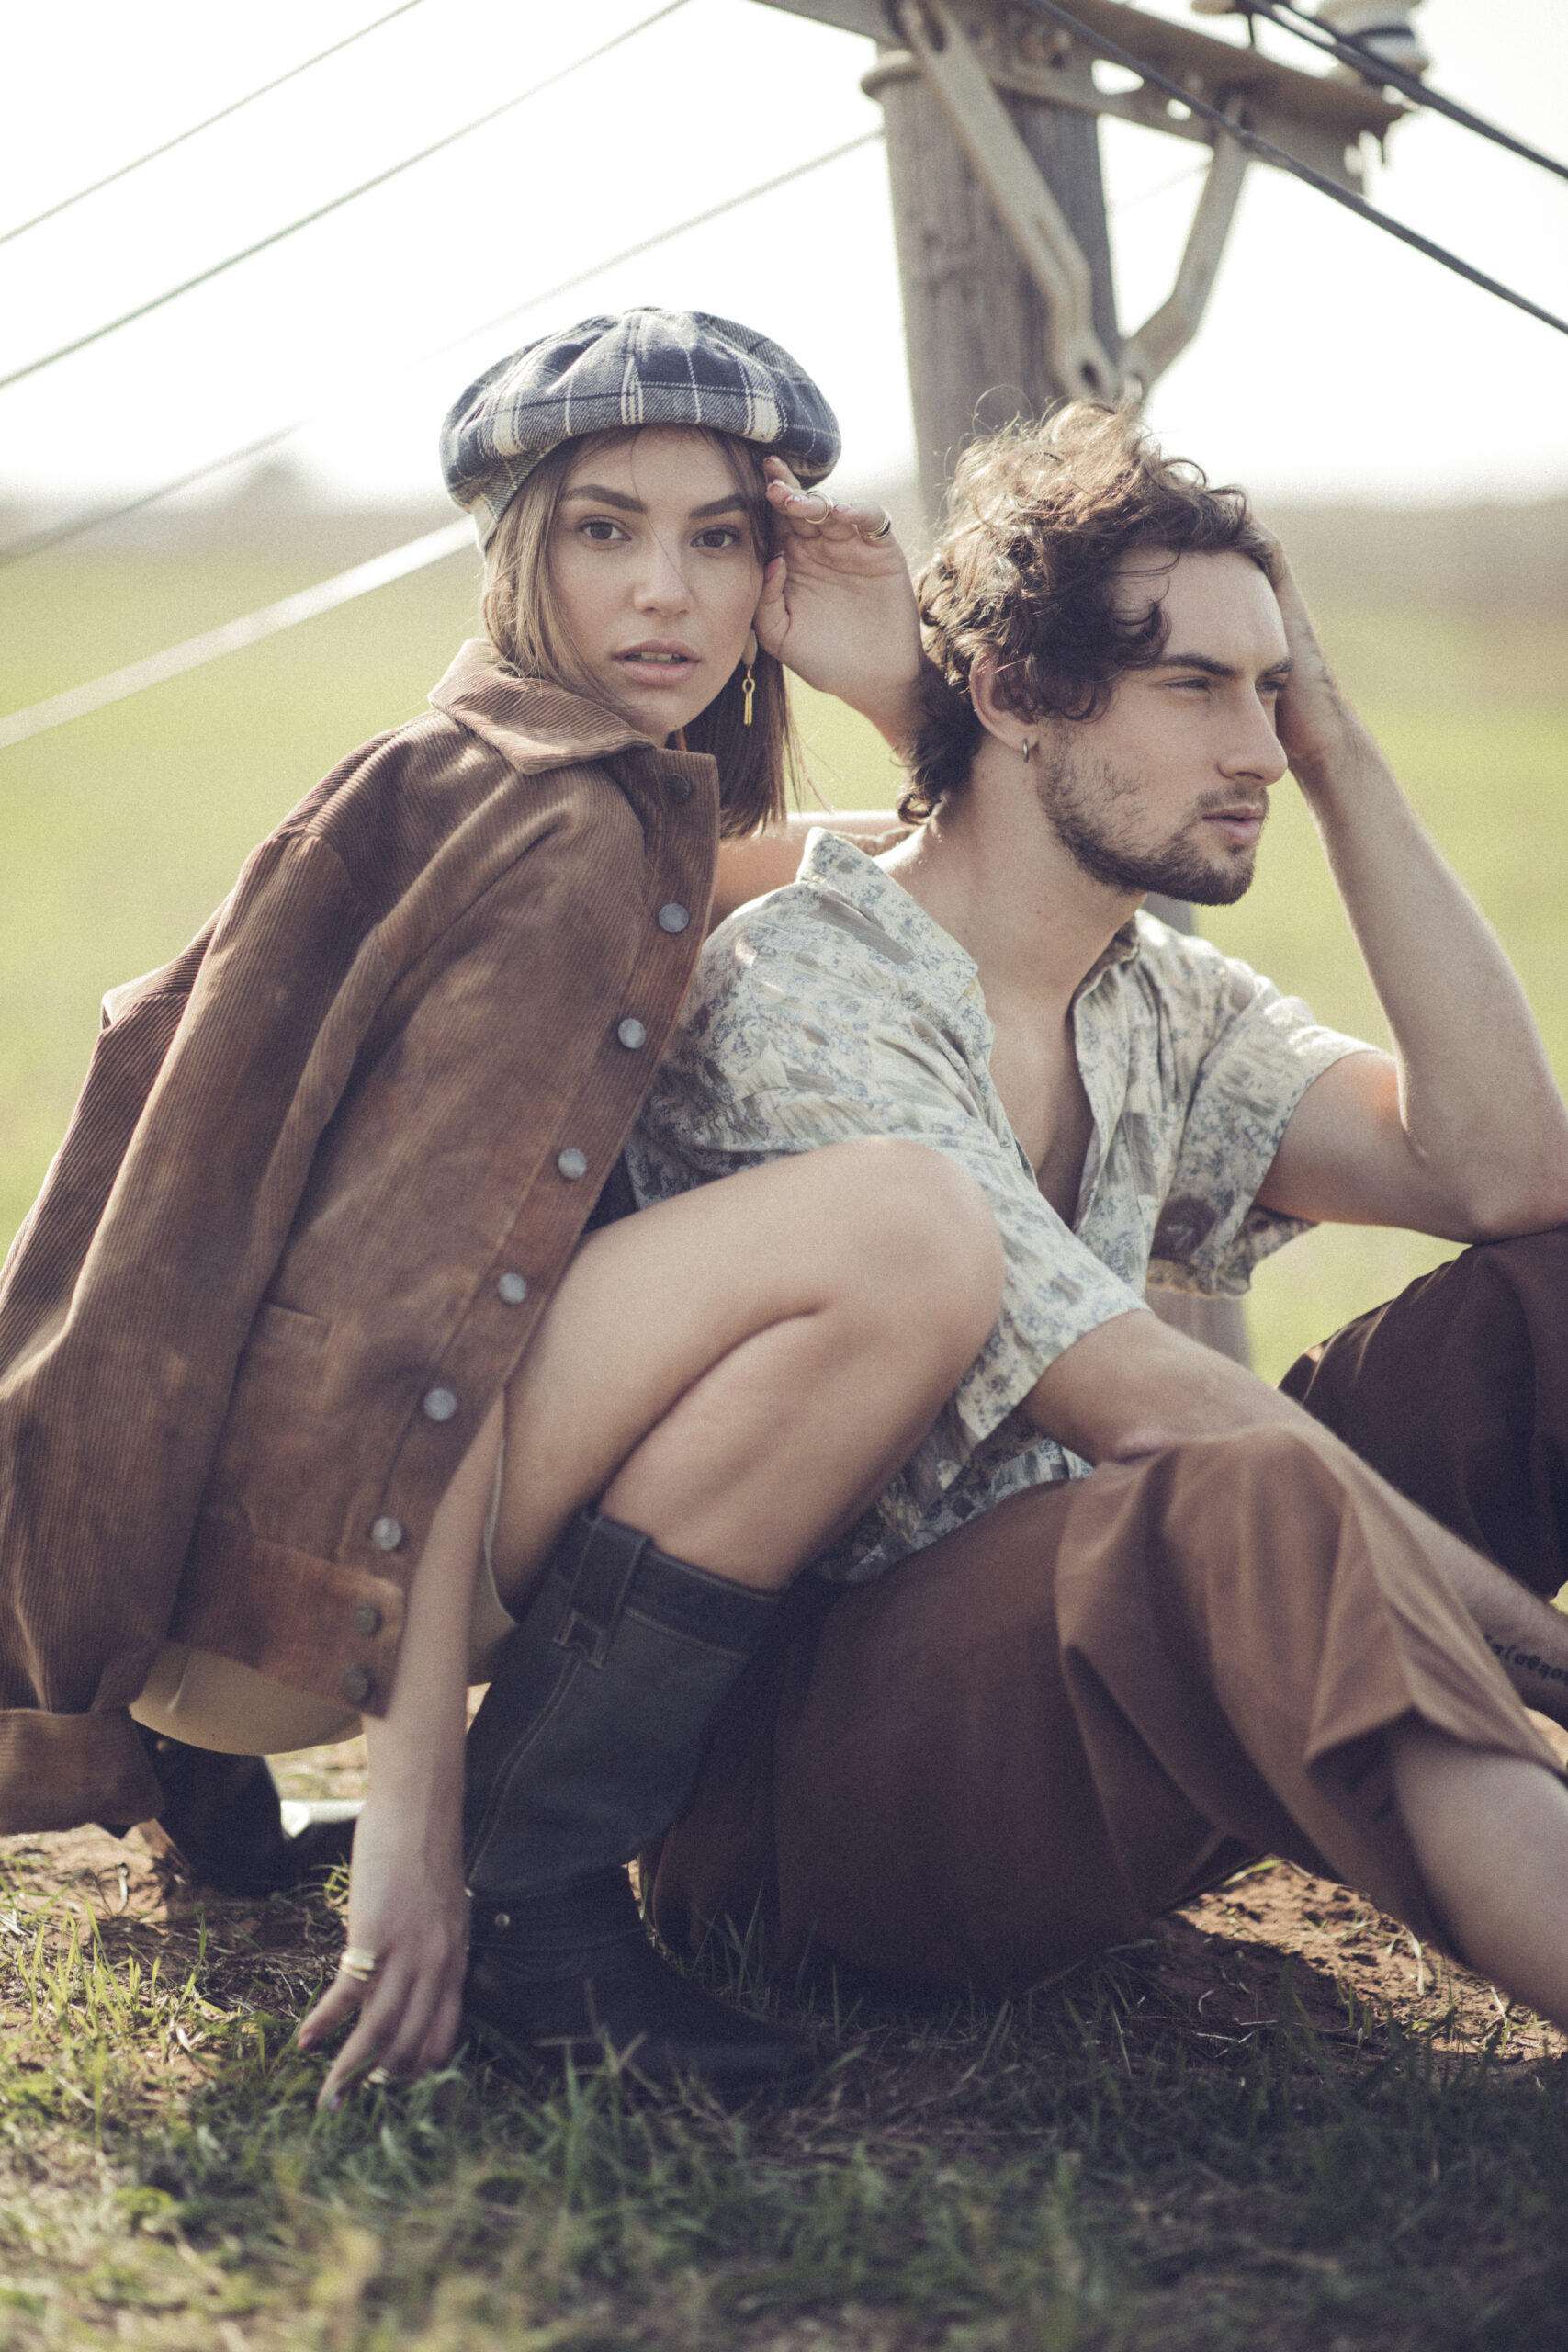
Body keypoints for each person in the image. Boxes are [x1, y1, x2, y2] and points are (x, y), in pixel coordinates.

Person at [0, 309, 1006, 2101]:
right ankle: (538, 1895)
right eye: (605, 529)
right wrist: (413, 1823)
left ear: (769, 571)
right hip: (292, 1616)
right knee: (901, 1237)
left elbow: (875, 864)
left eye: (719, 538)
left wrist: (900, 692)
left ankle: (211, 1793)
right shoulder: (571, 838)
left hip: (164, 1594)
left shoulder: (472, 769)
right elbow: (435, 1315)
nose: (665, 592)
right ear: (517, 549)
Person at [629, 401, 1568, 2034]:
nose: (1255, 748)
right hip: (806, 1808)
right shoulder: (807, 993)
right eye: (1195, 687)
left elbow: (1505, 1177)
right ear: (1010, 695)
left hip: (1097, 1699)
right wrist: (1538, 1667)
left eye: (1272, 688)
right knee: (1241, 1492)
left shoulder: (1154, 997)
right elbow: (1147, 1407)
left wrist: (1341, 750)